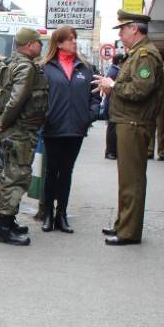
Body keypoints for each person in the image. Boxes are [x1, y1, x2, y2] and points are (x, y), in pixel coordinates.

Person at [93, 10, 164, 246]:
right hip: (129, 122)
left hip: (134, 123)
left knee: (131, 180)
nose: (120, 34)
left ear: (135, 29)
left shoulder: (145, 55)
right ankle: (123, 224)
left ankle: (128, 231)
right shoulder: (137, 54)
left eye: (122, 29)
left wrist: (112, 86)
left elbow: (140, 90)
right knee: (127, 179)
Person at [38, 25, 100, 234]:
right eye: (70, 38)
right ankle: (47, 213)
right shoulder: (45, 67)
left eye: (75, 38)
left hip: (76, 128)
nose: (74, 42)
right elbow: (38, 98)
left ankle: (61, 215)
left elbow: (95, 96)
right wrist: (44, 117)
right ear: (59, 42)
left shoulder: (85, 67)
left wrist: (88, 116)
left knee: (66, 172)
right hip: (53, 128)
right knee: (51, 172)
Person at [0, 27, 48, 246]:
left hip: (15, 129)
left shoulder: (10, 63)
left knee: (12, 174)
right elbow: (16, 99)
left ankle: (8, 221)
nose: (41, 46)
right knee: (17, 176)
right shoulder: (25, 67)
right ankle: (4, 228)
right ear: (28, 45)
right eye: (38, 42)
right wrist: (4, 122)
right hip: (20, 130)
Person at [147, 61, 164, 160]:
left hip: (162, 100)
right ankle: (149, 151)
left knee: (161, 127)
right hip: (150, 101)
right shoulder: (148, 65)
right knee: (149, 126)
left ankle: (162, 152)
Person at [102, 52, 126, 160]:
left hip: (114, 104)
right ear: (120, 61)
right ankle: (110, 152)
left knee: (114, 128)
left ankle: (113, 151)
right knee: (112, 129)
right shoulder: (114, 72)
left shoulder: (115, 70)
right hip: (112, 104)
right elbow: (108, 90)